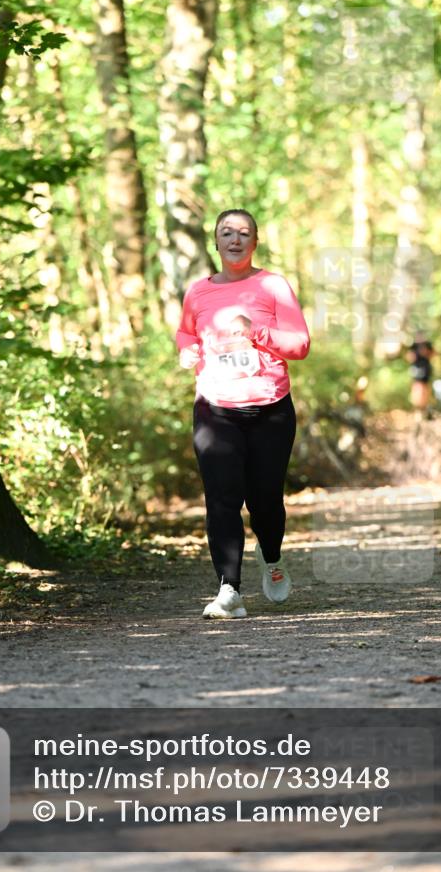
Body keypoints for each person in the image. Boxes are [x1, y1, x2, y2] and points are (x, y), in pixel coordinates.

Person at [175, 209, 310, 619]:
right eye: (226, 233)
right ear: (215, 242)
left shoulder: (272, 285)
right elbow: (185, 331)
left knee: (265, 500)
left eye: (243, 233)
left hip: (270, 408)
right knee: (221, 499)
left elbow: (301, 344)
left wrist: (258, 333)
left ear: (255, 242)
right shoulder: (198, 293)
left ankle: (271, 558)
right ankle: (229, 589)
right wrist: (187, 349)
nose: (235, 239)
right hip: (216, 408)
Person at [405, 332, 435, 422]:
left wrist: (426, 353)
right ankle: (418, 409)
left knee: (425, 390)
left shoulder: (427, 344)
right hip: (416, 370)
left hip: (426, 370)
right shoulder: (413, 346)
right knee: (417, 389)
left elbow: (433, 353)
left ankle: (424, 408)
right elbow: (409, 356)